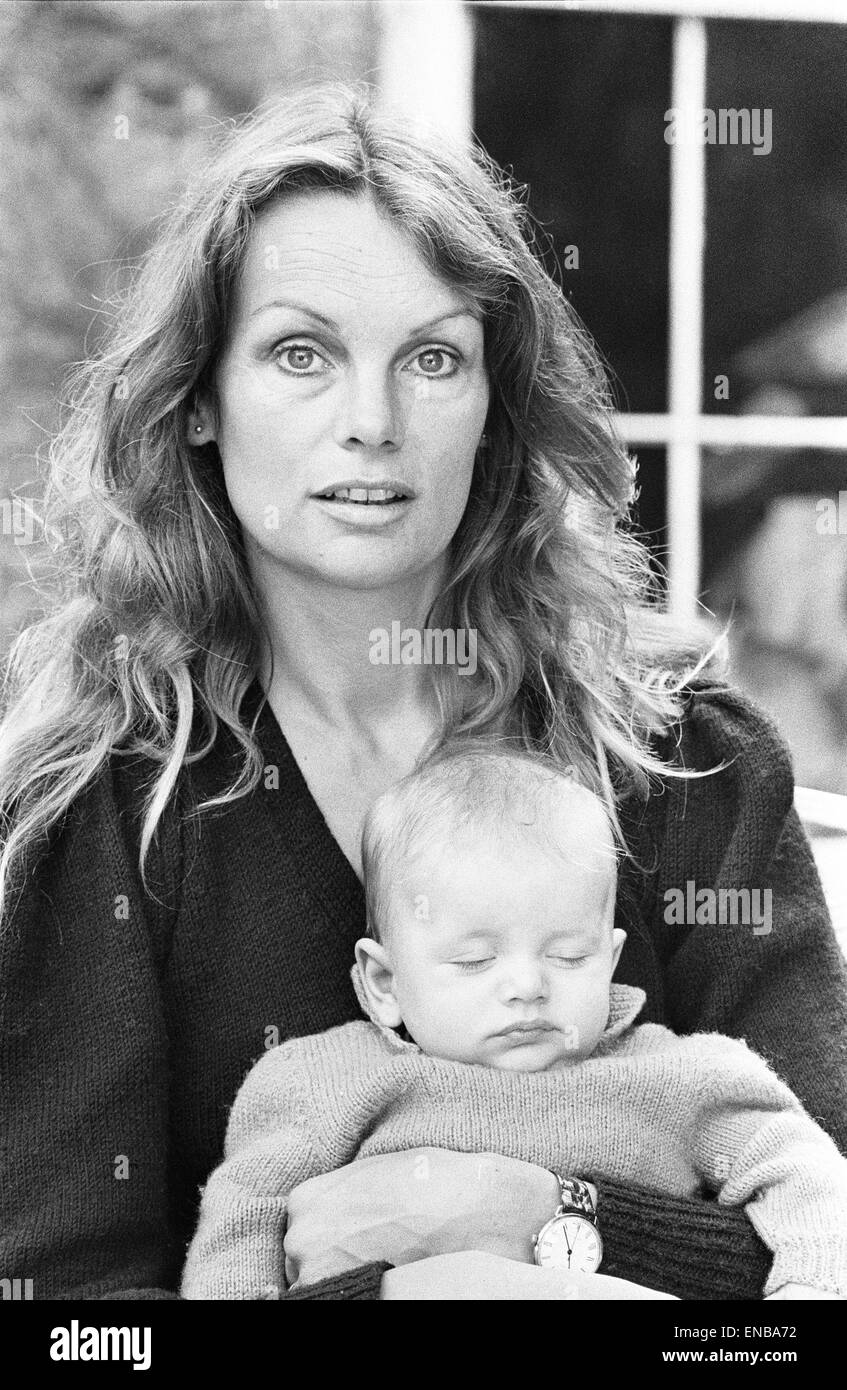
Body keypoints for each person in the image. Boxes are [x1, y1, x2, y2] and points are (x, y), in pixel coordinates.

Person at [1, 84, 846, 1302]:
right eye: (301, 353)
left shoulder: (684, 759)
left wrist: (542, 1222)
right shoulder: (98, 807)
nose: (371, 423)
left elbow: (819, 1233)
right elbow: (67, 1316)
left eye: (433, 359)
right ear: (197, 398)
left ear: (497, 404)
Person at [179, 749, 847, 1301]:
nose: (527, 987)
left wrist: (809, 1287)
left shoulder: (677, 1077)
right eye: (474, 960)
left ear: (611, 960)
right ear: (383, 984)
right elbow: (242, 1220)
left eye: (567, 954)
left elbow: (801, 1168)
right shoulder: (321, 1083)